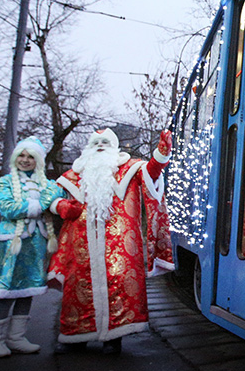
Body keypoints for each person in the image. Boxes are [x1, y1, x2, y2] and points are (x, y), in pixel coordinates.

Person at [47, 128, 173, 355]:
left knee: (118, 288)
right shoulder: (74, 175)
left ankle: (113, 338)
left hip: (119, 246)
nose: (101, 145)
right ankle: (75, 337)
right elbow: (49, 194)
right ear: (89, 147)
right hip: (80, 245)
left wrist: (161, 154)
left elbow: (152, 172)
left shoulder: (130, 168)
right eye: (97, 142)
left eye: (106, 142)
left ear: (114, 146)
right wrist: (59, 205)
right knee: (77, 288)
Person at [0, 136, 63, 358]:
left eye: (31, 157)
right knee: (6, 291)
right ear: (15, 157)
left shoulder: (48, 185)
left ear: (38, 160)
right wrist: (38, 204)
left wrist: (43, 201)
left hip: (35, 244)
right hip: (10, 244)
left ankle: (16, 337)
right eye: (22, 155)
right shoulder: (3, 183)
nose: (25, 160)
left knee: (28, 290)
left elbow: (58, 195)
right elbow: (8, 208)